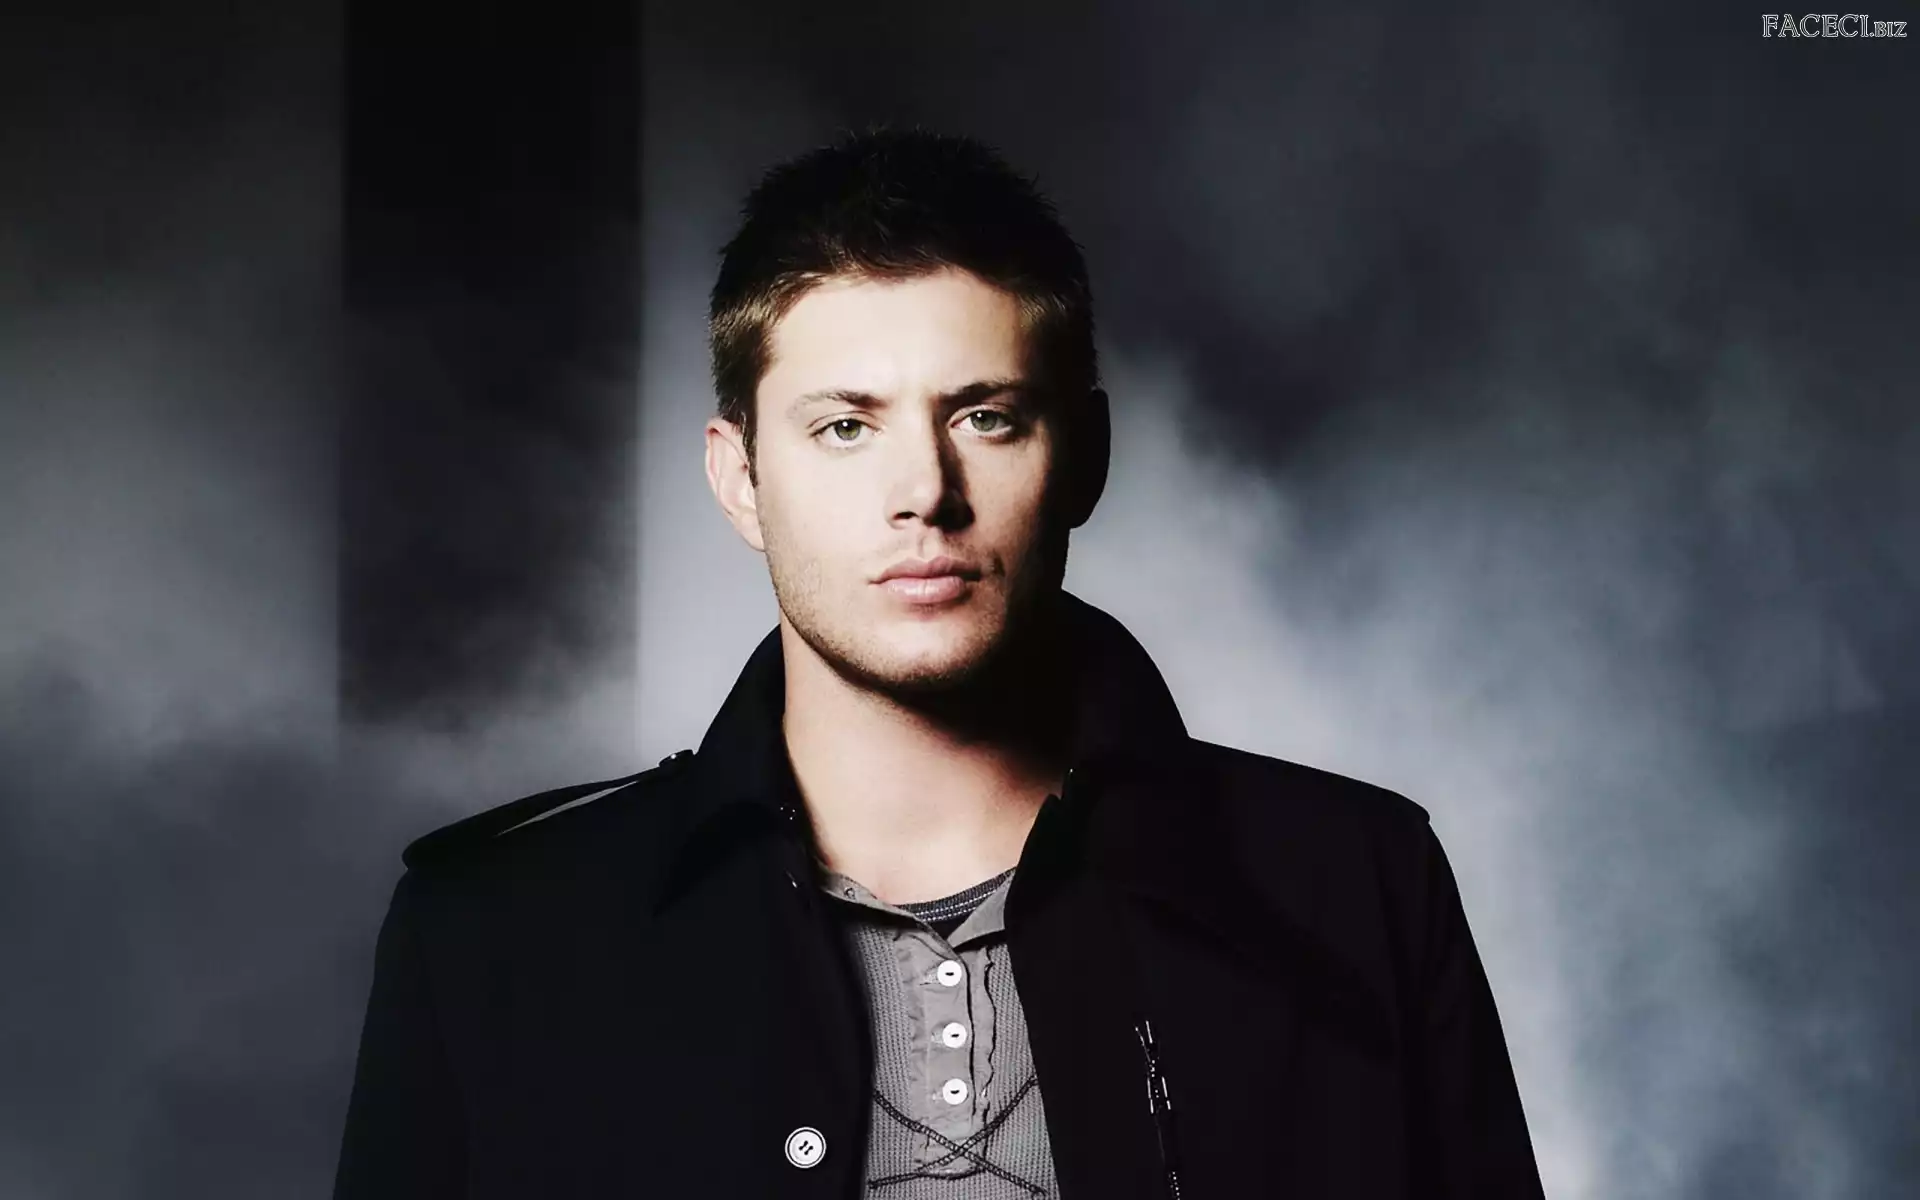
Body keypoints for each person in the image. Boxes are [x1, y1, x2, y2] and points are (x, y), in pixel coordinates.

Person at [332, 126, 1547, 1199]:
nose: (924, 490)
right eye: (845, 427)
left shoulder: (1353, 891)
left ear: (1084, 457)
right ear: (740, 478)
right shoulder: (497, 937)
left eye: (985, 416)